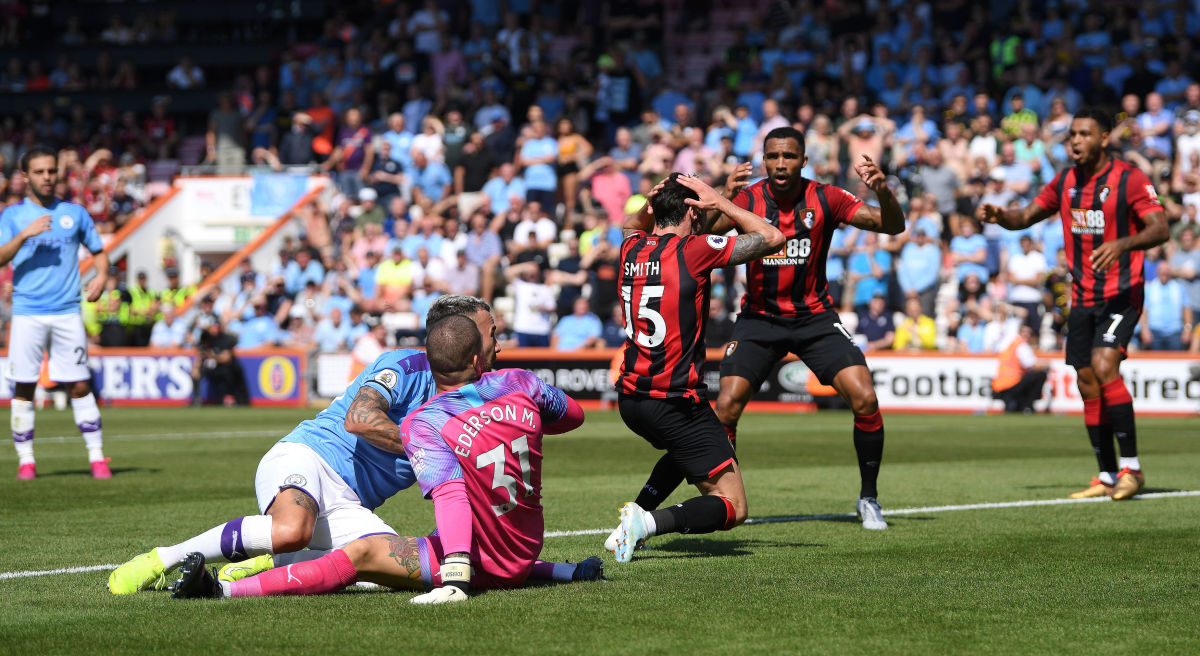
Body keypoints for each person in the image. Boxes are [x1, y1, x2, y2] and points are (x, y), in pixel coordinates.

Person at [169, 313, 602, 603]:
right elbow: (573, 416)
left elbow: (451, 497)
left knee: (360, 558)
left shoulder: (428, 424)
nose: (499, 344)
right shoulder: (520, 383)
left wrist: (454, 576)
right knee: (348, 549)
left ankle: (222, 592)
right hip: (522, 549)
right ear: (475, 358)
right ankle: (566, 572)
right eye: (493, 336)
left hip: (470, 554)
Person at [107, 295, 500, 594]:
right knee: (293, 528)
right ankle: (163, 559)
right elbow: (359, 419)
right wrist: (426, 448)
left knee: (400, 572)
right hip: (309, 456)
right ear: (461, 337)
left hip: (350, 505)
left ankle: (270, 564)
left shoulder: (477, 397)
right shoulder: (407, 365)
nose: (498, 343)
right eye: (491, 332)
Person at [637, 128, 905, 530]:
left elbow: (891, 226)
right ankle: (726, 495)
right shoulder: (747, 199)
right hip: (760, 319)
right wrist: (722, 196)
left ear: (804, 160)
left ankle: (869, 498)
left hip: (815, 317)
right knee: (726, 406)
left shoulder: (826, 197)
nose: (781, 164)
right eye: (774, 156)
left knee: (865, 398)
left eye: (790, 156)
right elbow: (695, 237)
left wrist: (883, 191)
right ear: (764, 161)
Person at [977, 109, 1168, 500]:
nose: (1075, 141)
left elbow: (1160, 227)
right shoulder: (1065, 181)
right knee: (1086, 382)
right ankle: (1107, 474)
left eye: (1084, 134)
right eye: (1071, 135)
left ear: (1103, 139)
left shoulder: (1129, 180)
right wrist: (1002, 217)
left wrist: (1122, 243)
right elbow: (1026, 215)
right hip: (1082, 297)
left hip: (1121, 292)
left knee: (1104, 365)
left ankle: (1133, 468)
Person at [608, 172, 784, 563]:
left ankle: (628, 525)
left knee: (683, 452)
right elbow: (773, 237)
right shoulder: (693, 250)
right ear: (693, 212)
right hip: (674, 400)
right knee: (733, 505)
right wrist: (719, 201)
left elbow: (629, 224)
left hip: (631, 399)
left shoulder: (630, 248)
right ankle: (644, 523)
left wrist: (652, 202)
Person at [0, 147, 110, 480]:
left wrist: (102, 276)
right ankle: (26, 461)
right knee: (24, 386)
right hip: (28, 312)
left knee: (79, 384)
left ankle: (97, 458)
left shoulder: (74, 214)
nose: (47, 177)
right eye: (39, 172)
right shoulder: (12, 217)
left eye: (51, 171)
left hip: (66, 312)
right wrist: (24, 235)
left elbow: (100, 252)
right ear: (25, 176)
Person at [991, 324, 1048, 413]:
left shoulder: (1010, 343)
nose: (1028, 335)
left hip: (1000, 384)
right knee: (1040, 374)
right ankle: (1028, 404)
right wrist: (1047, 364)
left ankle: (1020, 403)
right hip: (1012, 382)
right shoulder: (1021, 345)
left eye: (1029, 333)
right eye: (1025, 332)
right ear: (1020, 332)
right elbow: (1032, 365)